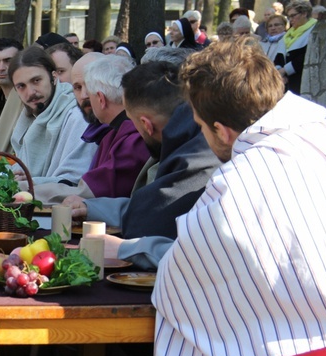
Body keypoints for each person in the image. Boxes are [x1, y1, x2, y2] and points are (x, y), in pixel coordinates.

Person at [92, 38, 326, 356]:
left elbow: (184, 281)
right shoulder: (317, 133)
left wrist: (134, 248)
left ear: (223, 130)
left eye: (199, 126)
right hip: (309, 349)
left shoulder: (239, 186)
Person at [58, 61, 221, 254]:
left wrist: (126, 249)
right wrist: (92, 208)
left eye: (132, 120)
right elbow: (151, 205)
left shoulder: (196, 154)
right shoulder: (190, 137)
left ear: (146, 125)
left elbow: (149, 218)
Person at [7, 46, 98, 185]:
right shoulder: (30, 116)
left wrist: (32, 183)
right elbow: (22, 171)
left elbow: (74, 180)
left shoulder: (78, 116)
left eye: (36, 80)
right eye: (21, 86)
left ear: (54, 77)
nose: (30, 92)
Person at [66, 54, 150, 199]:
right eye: (77, 87)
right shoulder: (112, 132)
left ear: (101, 99)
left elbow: (94, 191)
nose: (84, 96)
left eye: (89, 90)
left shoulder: (135, 137)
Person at [279, 0, 316, 94]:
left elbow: (308, 55)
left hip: (303, 81)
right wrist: (279, 73)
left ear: (304, 13)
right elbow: (279, 55)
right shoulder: (288, 34)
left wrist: (285, 70)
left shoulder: (314, 31)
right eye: (288, 16)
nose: (290, 20)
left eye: (293, 15)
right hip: (285, 82)